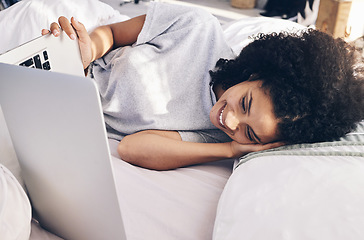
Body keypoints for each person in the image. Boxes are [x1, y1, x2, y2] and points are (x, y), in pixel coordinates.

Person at [42, 3, 364, 170]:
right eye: (247, 103)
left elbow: (131, 148)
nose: (231, 120)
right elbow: (111, 33)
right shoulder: (198, 27)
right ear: (256, 73)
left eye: (250, 133)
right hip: (64, 58)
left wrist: (230, 149)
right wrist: (85, 52)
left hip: (66, 111)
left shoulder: (214, 135)